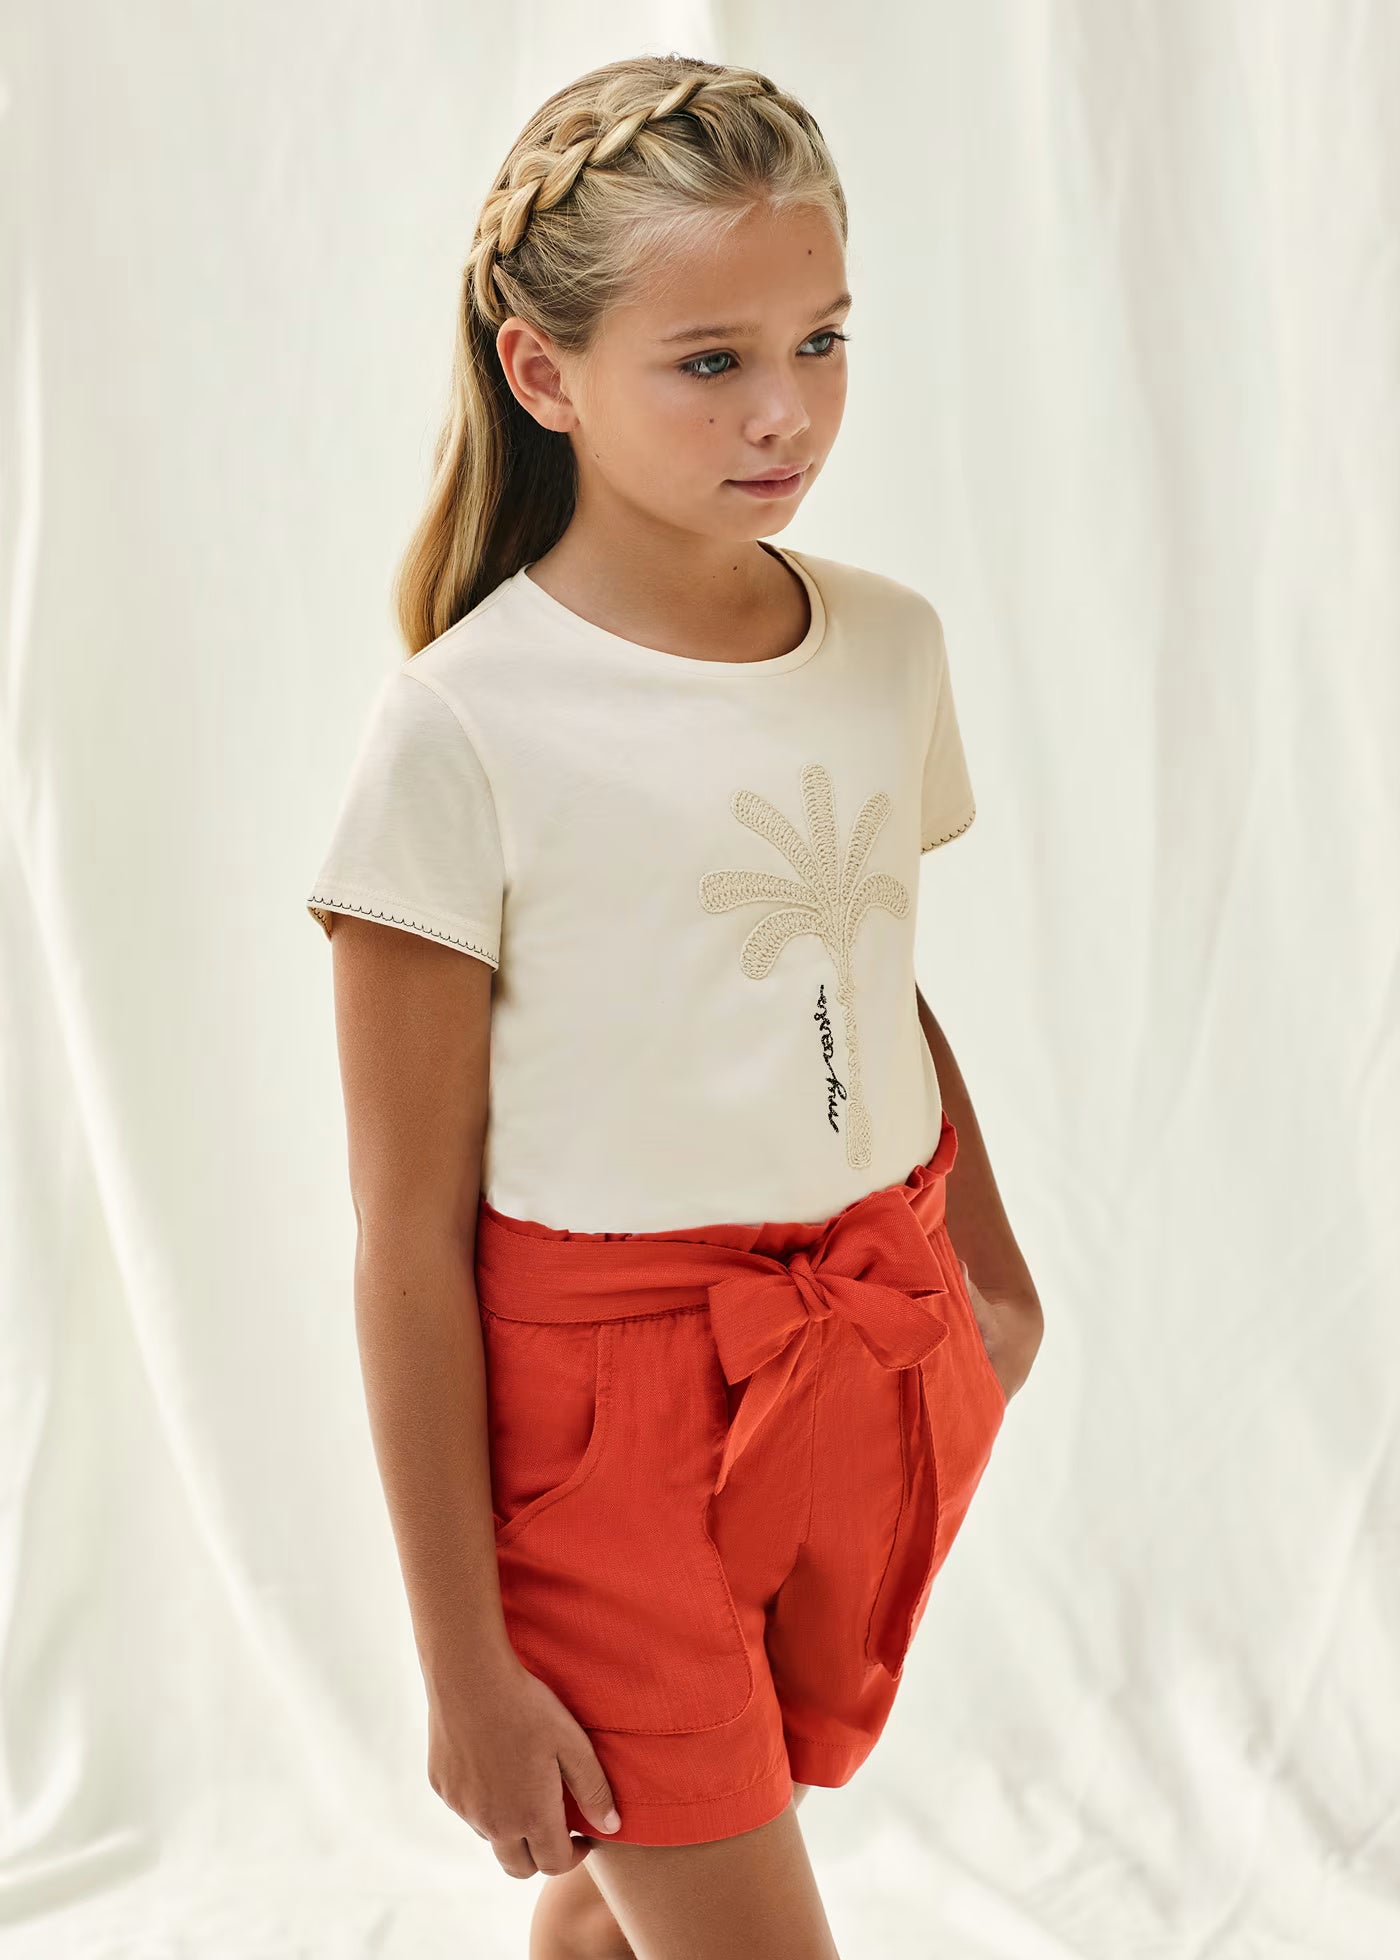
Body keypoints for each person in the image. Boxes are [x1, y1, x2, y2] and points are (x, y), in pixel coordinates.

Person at [306, 50, 1044, 1960]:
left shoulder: (885, 645)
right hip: (604, 1425)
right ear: (542, 373)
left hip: (866, 1338)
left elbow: (868, 968)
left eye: (821, 340)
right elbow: (404, 1237)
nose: (785, 409)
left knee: (623, 1909)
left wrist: (992, 1287)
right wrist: (464, 1668)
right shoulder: (462, 727)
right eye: (710, 360)